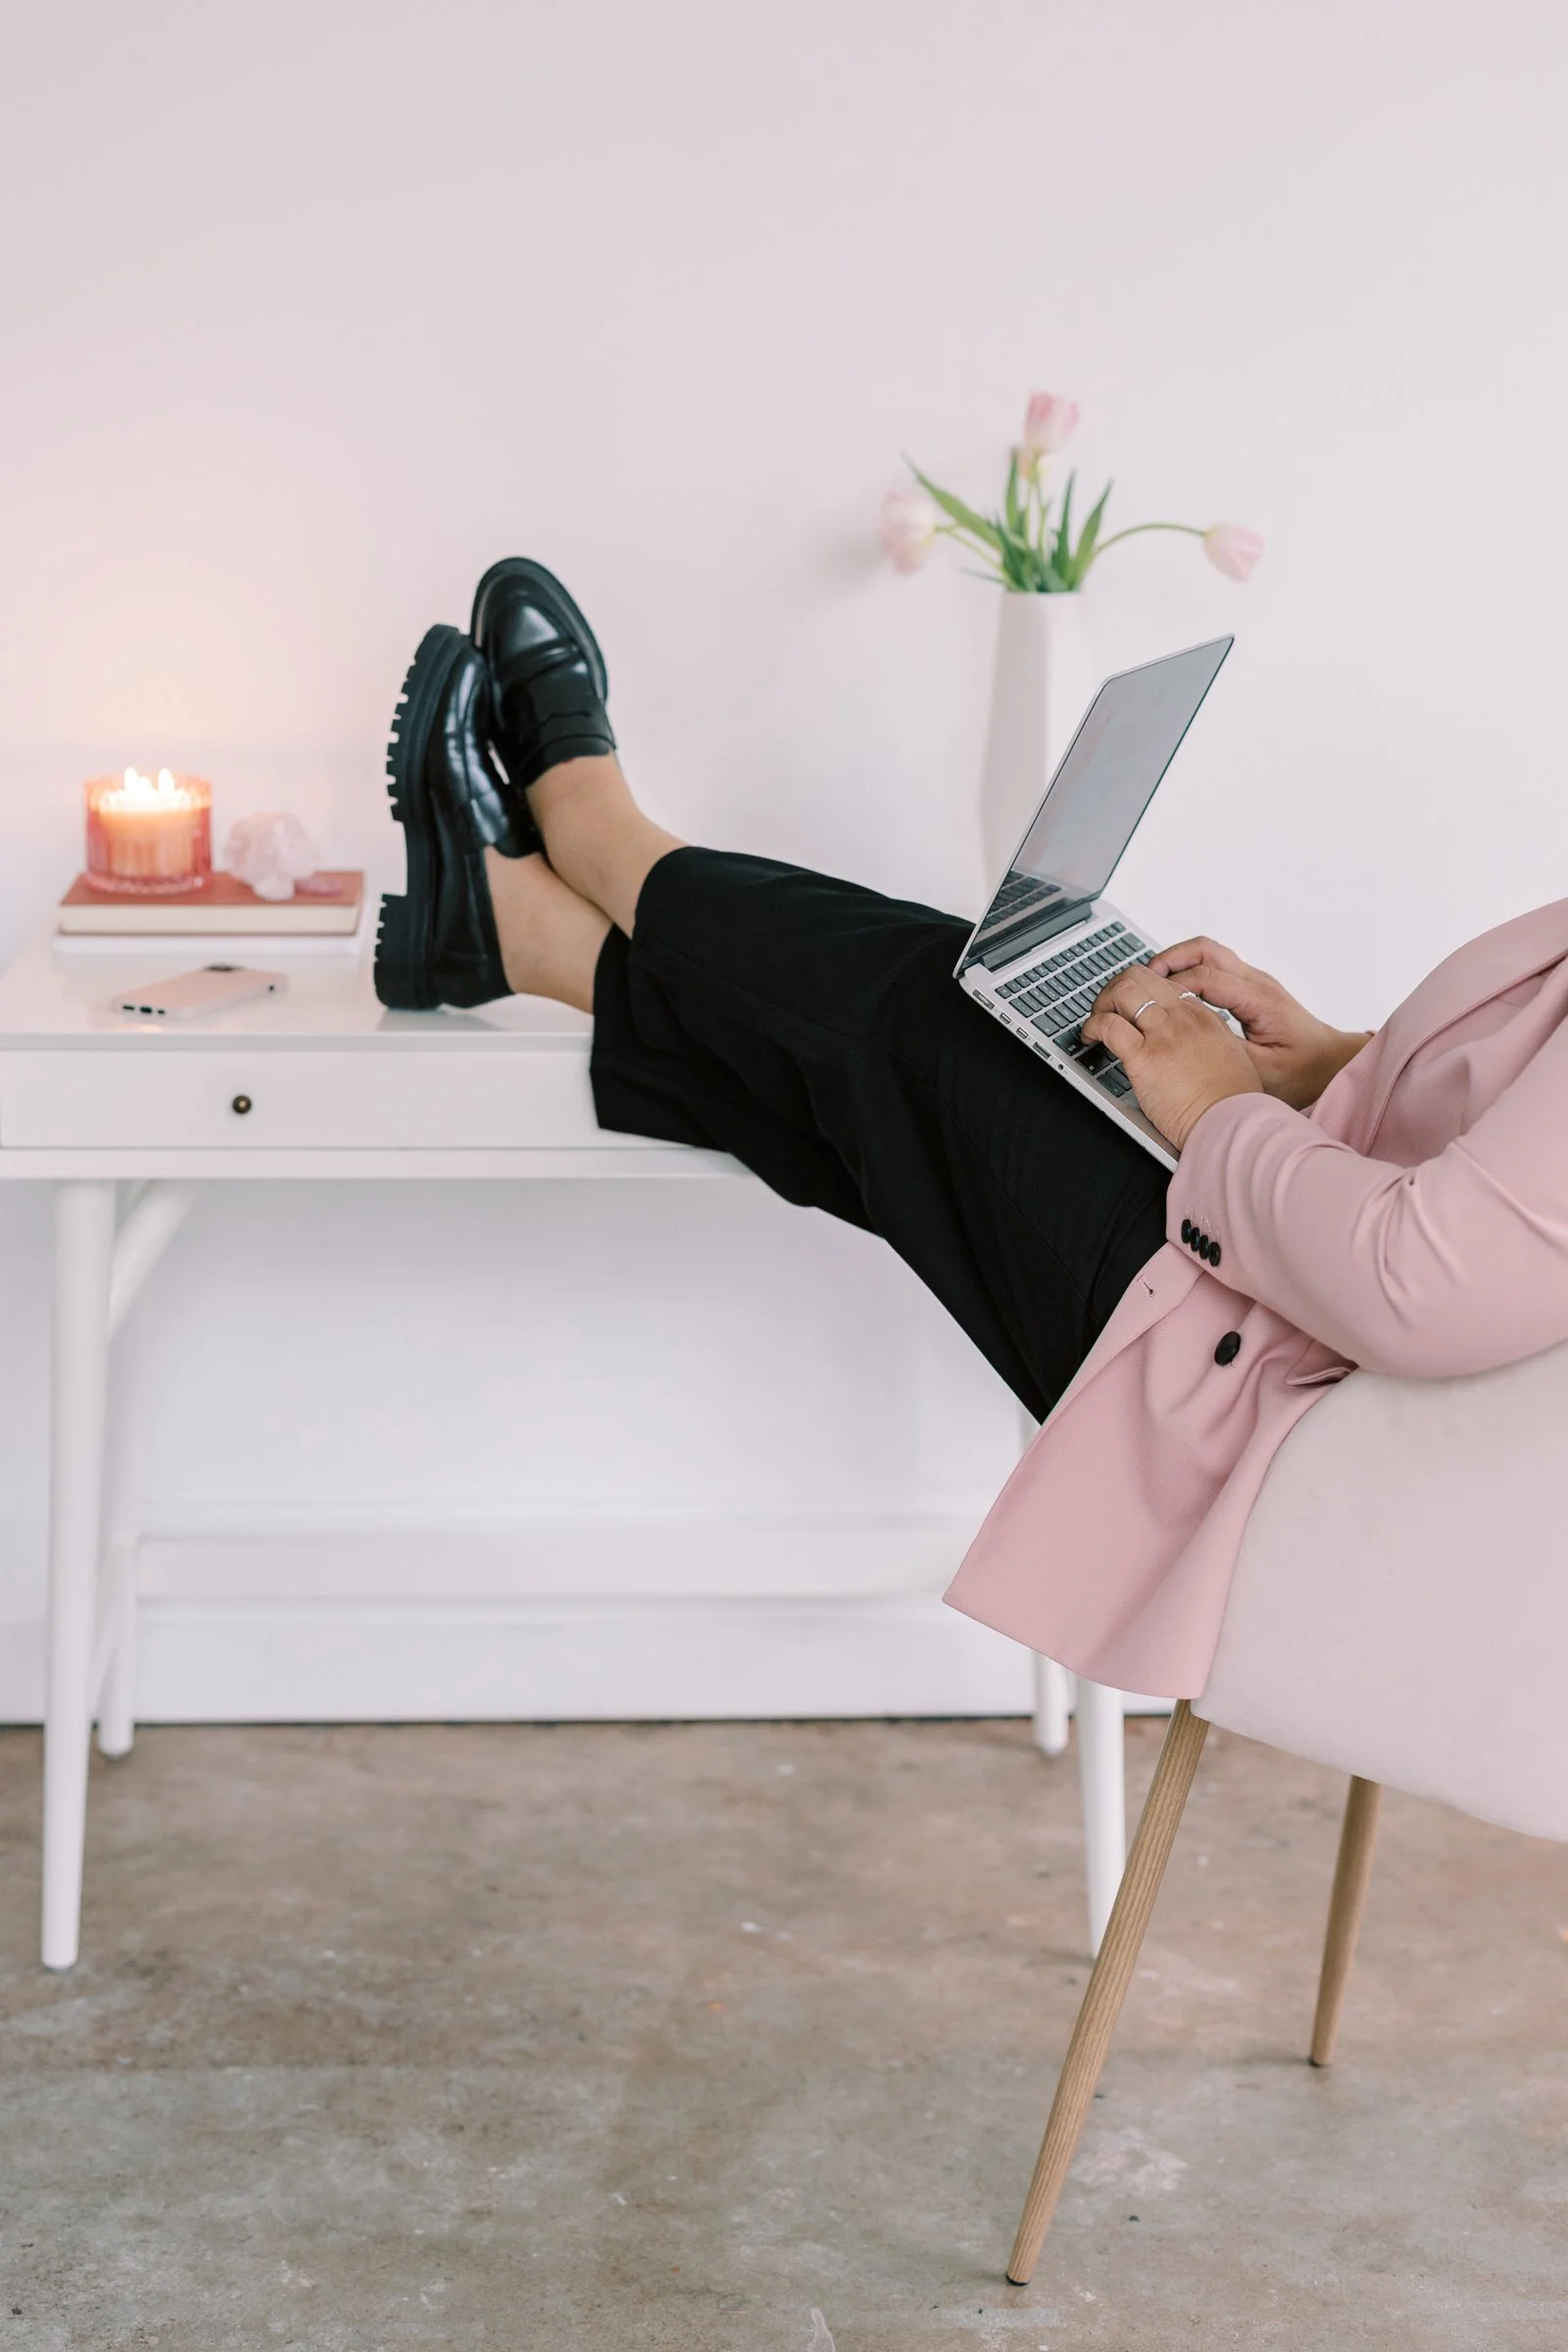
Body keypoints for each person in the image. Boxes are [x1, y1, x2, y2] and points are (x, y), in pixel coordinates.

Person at [374, 562, 1568, 1697]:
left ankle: (591, 840)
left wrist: (1218, 1108)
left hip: (1307, 1431)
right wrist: (1341, 1066)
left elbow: (1418, 1285)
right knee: (907, 1078)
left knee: (925, 1014)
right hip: (1308, 1314)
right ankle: (523, 933)